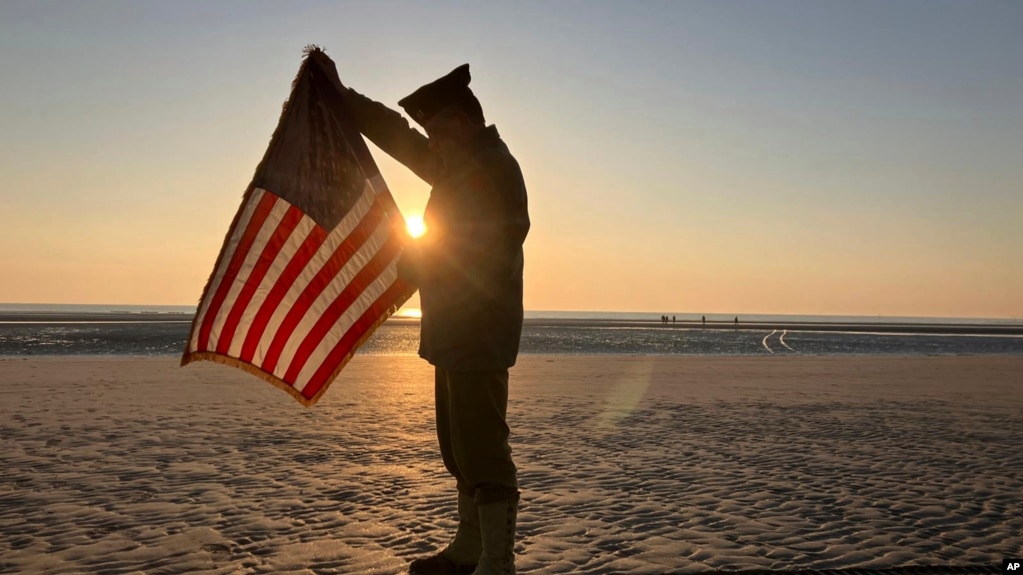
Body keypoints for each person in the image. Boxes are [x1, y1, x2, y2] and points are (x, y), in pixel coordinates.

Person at [339, 64, 529, 575]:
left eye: (437, 129)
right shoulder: (460, 161)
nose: (430, 140)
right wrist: (341, 95)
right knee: (458, 447)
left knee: (483, 447)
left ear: (462, 122)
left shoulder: (493, 169)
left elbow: (489, 246)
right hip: (453, 331)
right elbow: (398, 138)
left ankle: (497, 561)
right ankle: (470, 548)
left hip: (479, 332)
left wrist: (420, 261)